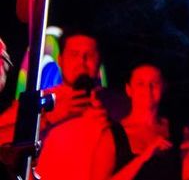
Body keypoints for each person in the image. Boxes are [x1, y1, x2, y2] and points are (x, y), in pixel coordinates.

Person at [34, 31, 125, 180]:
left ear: (99, 62)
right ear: (60, 60)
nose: (81, 61)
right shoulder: (37, 101)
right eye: (74, 54)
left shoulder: (117, 104)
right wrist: (47, 118)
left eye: (89, 55)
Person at [111, 64, 180, 180]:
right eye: (140, 84)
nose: (148, 89)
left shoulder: (179, 130)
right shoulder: (112, 135)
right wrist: (143, 158)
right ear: (129, 89)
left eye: (154, 83)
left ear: (163, 87)